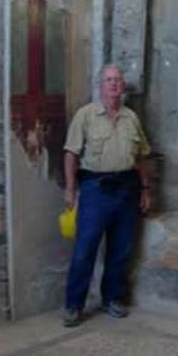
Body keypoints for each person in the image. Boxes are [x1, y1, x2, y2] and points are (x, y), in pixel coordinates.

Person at [61, 64, 152, 326]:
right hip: (94, 190)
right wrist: (70, 189)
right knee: (84, 249)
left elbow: (142, 156)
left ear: (122, 87)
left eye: (117, 80)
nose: (113, 84)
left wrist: (146, 188)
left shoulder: (131, 118)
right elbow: (71, 154)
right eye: (108, 80)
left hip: (126, 190)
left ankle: (112, 298)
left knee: (121, 250)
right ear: (101, 86)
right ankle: (73, 305)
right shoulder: (86, 116)